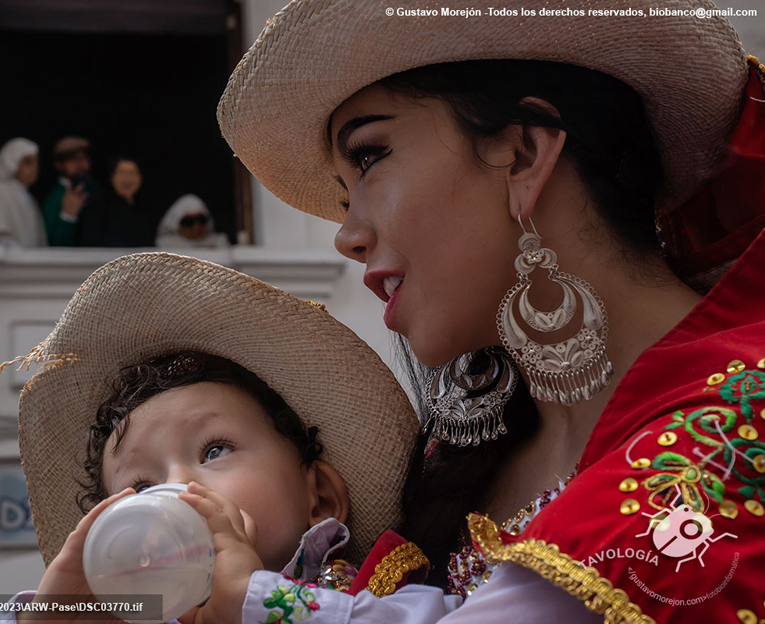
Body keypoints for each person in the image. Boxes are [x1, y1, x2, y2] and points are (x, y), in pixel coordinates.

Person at [212, 0, 765, 622]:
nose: (349, 235)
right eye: (345, 195)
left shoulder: (741, 419)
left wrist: (251, 599)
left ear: (524, 154)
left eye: (369, 158)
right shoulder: (461, 464)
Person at [0, 253, 422, 624]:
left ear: (319, 498)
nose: (179, 490)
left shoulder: (378, 596)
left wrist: (254, 602)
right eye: (141, 487)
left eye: (215, 450)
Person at [0, 138, 46, 248]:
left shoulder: (28, 197)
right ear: (12, 161)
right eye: (28, 162)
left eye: (36, 162)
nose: (35, 168)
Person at [76, 156, 157, 247]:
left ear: (140, 178)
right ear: (112, 177)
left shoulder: (146, 210)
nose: (127, 178)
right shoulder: (97, 206)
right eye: (122, 172)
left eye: (132, 173)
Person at [42, 136, 101, 246]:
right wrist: (68, 216)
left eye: (84, 158)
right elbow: (53, 243)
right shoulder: (54, 197)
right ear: (59, 164)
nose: (80, 164)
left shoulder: (95, 189)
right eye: (73, 159)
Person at [156, 194, 230, 249]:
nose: (196, 227)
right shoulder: (167, 245)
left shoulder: (219, 243)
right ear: (176, 224)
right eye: (188, 222)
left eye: (201, 220)